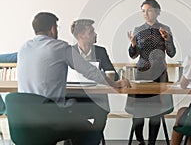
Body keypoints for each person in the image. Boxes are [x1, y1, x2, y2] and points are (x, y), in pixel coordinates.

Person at [17, 12, 131, 145]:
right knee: (89, 129)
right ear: (53, 29)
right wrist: (115, 84)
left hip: (24, 119)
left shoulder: (23, 48)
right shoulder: (60, 47)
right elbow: (89, 71)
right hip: (50, 117)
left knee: (77, 111)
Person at [127, 0, 176, 145]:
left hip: (159, 74)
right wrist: (133, 44)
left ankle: (152, 143)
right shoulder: (137, 30)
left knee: (156, 111)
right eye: (143, 11)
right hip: (142, 72)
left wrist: (167, 39)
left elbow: (172, 53)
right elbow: (133, 55)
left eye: (148, 10)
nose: (145, 14)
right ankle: (140, 140)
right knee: (137, 110)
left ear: (157, 11)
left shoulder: (165, 28)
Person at [69, 18, 121, 141]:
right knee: (69, 114)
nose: (95, 34)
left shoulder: (100, 51)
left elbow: (114, 75)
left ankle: (92, 141)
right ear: (80, 35)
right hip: (75, 99)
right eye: (91, 32)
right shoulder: (70, 52)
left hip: (97, 101)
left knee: (101, 113)